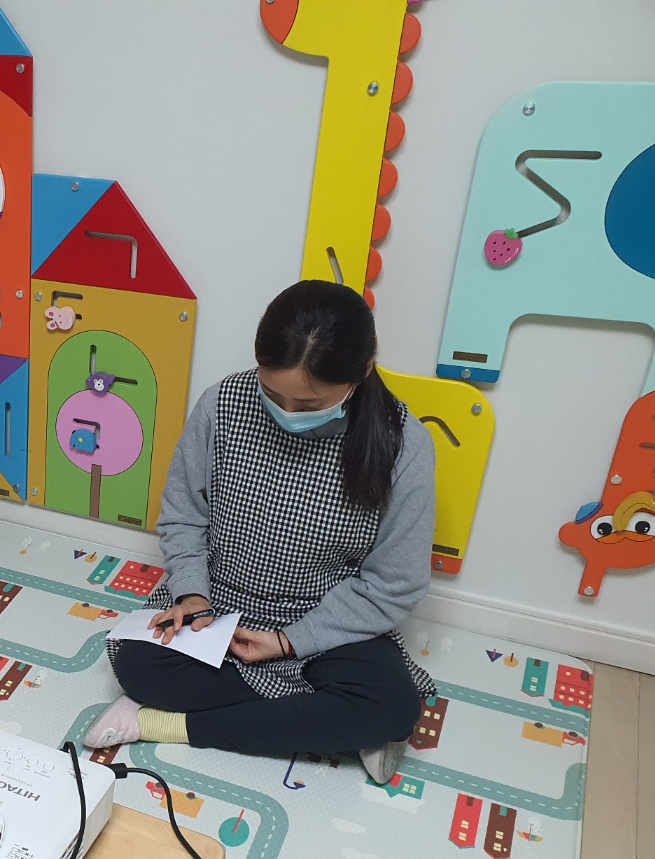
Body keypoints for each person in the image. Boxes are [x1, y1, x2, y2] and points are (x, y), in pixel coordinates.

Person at [85, 280, 436, 784]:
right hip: (220, 604)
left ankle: (163, 724)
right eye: (272, 395)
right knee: (138, 665)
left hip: (328, 622)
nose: (288, 415)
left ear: (364, 370)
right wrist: (193, 596)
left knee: (394, 708)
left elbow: (393, 583)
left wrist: (291, 642)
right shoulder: (221, 404)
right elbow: (184, 514)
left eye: (310, 404)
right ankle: (331, 725)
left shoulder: (403, 445)